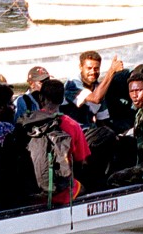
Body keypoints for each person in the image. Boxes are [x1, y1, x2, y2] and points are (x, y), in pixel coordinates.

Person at [18, 78, 90, 206]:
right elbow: (82, 161)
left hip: (31, 193)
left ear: (41, 98)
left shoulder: (26, 123)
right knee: (85, 185)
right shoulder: (72, 125)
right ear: (62, 99)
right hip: (62, 192)